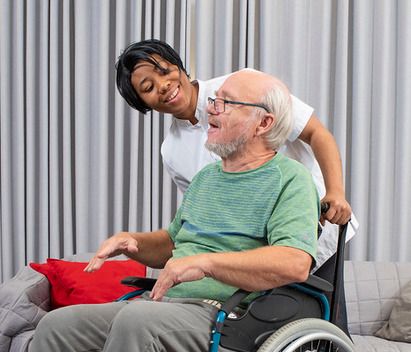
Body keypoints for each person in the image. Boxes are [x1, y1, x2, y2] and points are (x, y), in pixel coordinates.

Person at [29, 70, 319, 352]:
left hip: (228, 316)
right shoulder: (206, 177)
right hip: (164, 304)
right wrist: (132, 242)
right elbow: (172, 243)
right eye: (213, 100)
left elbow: (294, 262)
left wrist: (206, 263)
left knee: (137, 322)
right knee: (57, 325)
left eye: (225, 103)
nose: (211, 110)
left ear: (263, 123)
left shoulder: (291, 179)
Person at [115, 39, 356, 272]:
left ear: (177, 65)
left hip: (314, 228)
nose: (163, 85)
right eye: (148, 87)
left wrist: (335, 192)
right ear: (142, 102)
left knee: (323, 311)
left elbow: (316, 133)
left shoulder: (245, 86)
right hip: (254, 258)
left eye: (165, 71)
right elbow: (204, 216)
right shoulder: (172, 151)